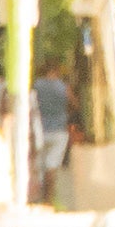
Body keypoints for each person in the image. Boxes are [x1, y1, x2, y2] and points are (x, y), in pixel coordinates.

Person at [31, 56, 72, 204]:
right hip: (59, 130)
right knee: (52, 166)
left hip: (40, 130)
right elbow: (73, 103)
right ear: (56, 71)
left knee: (39, 165)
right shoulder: (62, 87)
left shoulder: (37, 85)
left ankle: (37, 196)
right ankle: (48, 199)